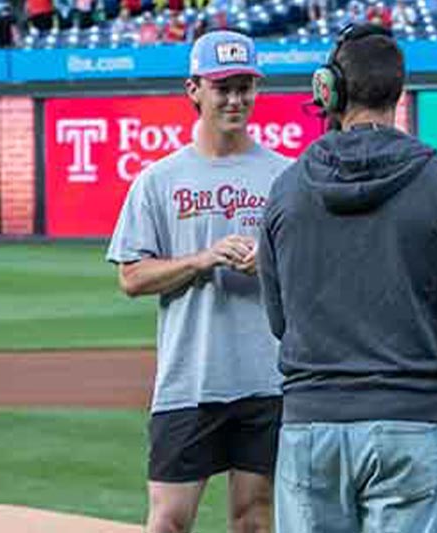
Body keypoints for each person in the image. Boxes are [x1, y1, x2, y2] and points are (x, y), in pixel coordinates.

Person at [258, 24, 437, 533]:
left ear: (329, 90)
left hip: (312, 423)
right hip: (414, 417)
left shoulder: (285, 190)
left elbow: (280, 321)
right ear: (399, 92)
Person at [106, 30, 292, 533]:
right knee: (168, 519)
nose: (235, 100)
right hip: (190, 379)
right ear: (194, 90)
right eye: (222, 87)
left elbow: (313, 271)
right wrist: (202, 260)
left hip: (266, 377)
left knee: (254, 518)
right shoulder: (158, 180)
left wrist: (270, 264)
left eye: (244, 87)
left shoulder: (285, 176)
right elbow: (131, 276)